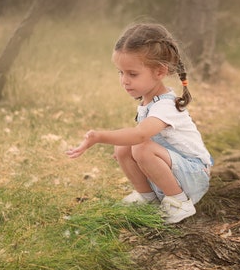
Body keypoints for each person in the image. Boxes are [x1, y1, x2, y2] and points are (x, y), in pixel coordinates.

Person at [66, 23, 212, 224]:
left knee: (140, 147)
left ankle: (179, 203)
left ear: (160, 72)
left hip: (194, 175)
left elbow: (141, 136)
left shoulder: (166, 105)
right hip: (175, 172)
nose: (124, 81)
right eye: (120, 72)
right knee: (123, 147)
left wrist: (99, 137)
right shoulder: (148, 101)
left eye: (132, 74)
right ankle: (148, 199)